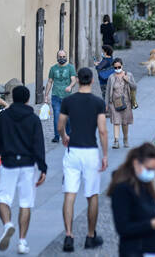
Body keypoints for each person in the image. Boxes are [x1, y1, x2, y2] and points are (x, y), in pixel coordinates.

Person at [0, 86, 47, 254]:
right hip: (28, 165)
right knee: (26, 203)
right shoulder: (33, 119)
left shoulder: (3, 117)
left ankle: (7, 224)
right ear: (28, 99)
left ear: (12, 98)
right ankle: (22, 241)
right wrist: (42, 167)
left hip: (8, 163)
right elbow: (39, 145)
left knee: (2, 198)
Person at [58, 67, 108, 252]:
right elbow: (102, 130)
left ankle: (69, 236)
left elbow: (60, 125)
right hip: (90, 151)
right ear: (92, 81)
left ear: (78, 80)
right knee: (92, 194)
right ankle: (90, 235)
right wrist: (105, 155)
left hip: (73, 151)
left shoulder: (68, 101)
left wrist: (64, 136)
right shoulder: (97, 102)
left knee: (69, 194)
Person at [45, 50, 77, 143]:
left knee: (68, 117)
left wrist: (70, 86)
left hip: (68, 97)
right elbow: (50, 81)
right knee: (56, 116)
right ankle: (56, 136)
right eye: (60, 56)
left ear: (66, 57)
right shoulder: (53, 68)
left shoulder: (70, 67)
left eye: (63, 56)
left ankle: (69, 134)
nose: (62, 58)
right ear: (57, 57)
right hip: (56, 96)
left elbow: (73, 79)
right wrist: (46, 95)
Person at [104, 58, 136, 149]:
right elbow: (107, 91)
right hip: (114, 103)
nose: (117, 68)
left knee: (125, 122)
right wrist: (106, 104)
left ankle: (125, 139)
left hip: (126, 102)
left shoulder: (129, 75)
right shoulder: (111, 77)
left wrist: (128, 80)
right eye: (115, 67)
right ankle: (116, 141)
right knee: (116, 122)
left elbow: (135, 87)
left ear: (122, 66)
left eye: (119, 67)